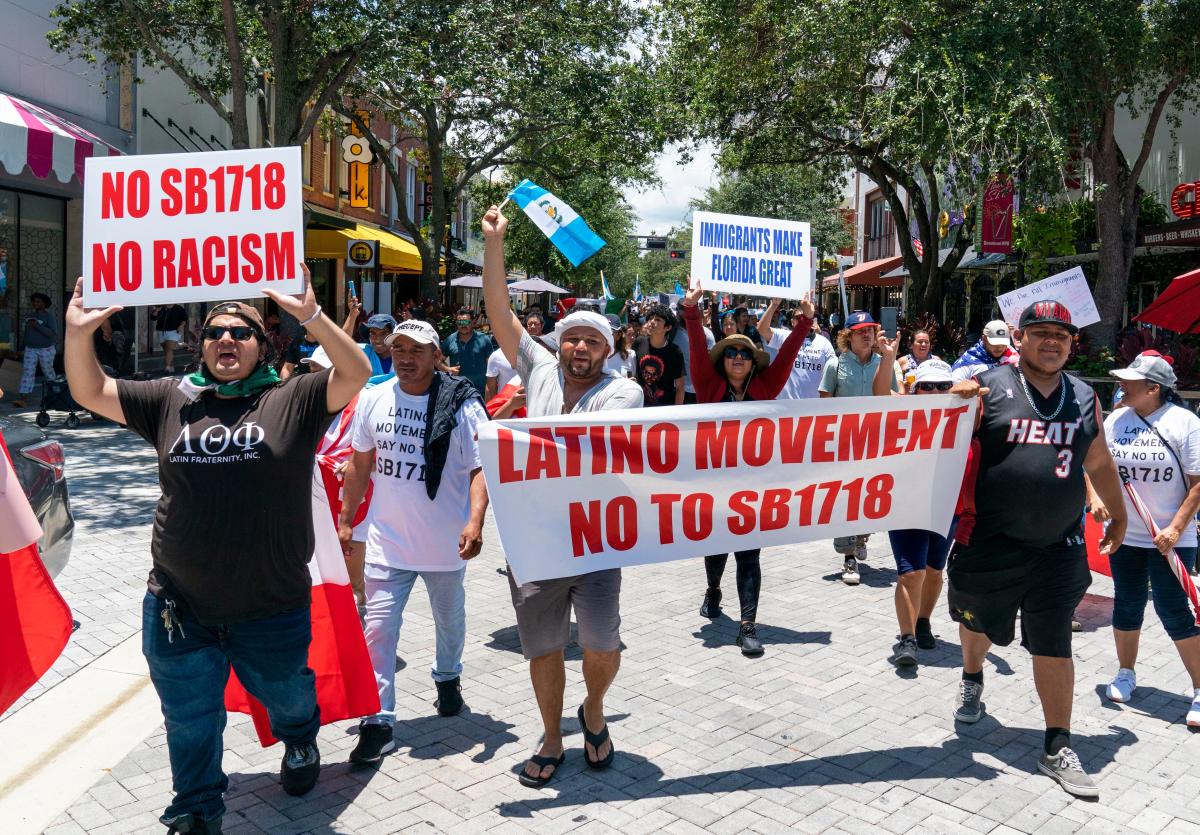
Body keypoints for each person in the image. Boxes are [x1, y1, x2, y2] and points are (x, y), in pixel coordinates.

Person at [63, 268, 372, 834]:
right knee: (188, 717)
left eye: (241, 332)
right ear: (200, 345)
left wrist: (311, 315)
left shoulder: (295, 397)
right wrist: (78, 333)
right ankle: (198, 807)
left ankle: (300, 739)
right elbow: (89, 391)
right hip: (178, 606)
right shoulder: (170, 399)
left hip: (271, 606)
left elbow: (356, 371)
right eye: (215, 332)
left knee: (288, 697)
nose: (226, 340)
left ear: (263, 344)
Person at [481, 203, 642, 789]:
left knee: (602, 643)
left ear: (605, 352)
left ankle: (593, 708)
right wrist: (494, 243)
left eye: (589, 342)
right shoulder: (541, 371)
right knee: (544, 648)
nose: (578, 348)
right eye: (570, 339)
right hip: (535, 544)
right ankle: (552, 733)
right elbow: (498, 311)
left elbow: (588, 446)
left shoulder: (623, 393)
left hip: (596, 539)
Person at [947, 300, 1127, 799]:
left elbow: (1099, 459)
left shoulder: (1086, 396)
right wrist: (950, 402)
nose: (1052, 342)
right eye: (1041, 332)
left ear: (1073, 344)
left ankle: (1057, 745)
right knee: (977, 623)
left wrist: (1120, 512)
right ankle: (972, 674)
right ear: (1019, 339)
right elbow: (920, 432)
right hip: (988, 543)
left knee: (1053, 641)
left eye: (1062, 335)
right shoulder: (985, 387)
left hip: (1059, 547)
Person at [338, 319, 489, 764]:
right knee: (378, 629)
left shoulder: (463, 405)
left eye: (416, 350)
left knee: (450, 621)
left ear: (435, 355)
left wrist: (475, 522)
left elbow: (482, 467)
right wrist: (346, 519)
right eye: (398, 348)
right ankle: (378, 720)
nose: (405, 357)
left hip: (445, 544)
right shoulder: (373, 398)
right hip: (388, 543)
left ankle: (448, 678)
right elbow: (359, 462)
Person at [683, 283, 814, 656]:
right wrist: (691, 310)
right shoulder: (709, 388)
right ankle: (712, 589)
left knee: (748, 553)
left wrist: (805, 321)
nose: (738, 357)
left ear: (752, 360)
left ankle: (747, 625)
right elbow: (695, 349)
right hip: (712, 484)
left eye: (744, 352)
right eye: (732, 352)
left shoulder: (766, 387)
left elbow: (787, 356)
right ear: (723, 360)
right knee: (716, 547)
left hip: (752, 487)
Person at [1090, 352, 1200, 727]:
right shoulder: (1117, 418)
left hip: (1171, 538)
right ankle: (1126, 672)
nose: (1122, 385)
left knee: (1173, 610)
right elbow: (1095, 464)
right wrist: (1096, 499)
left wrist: (1175, 529)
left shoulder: (1185, 423)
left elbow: (1197, 485)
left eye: (1130, 381)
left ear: (1153, 388)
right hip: (1126, 534)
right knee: (1128, 603)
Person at [878, 357, 960, 665]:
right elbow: (879, 394)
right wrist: (887, 359)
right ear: (915, 390)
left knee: (935, 570)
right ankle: (907, 638)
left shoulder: (963, 413)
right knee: (911, 572)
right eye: (928, 386)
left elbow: (988, 392)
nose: (937, 391)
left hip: (945, 504)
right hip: (906, 503)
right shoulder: (903, 410)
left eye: (943, 386)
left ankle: (923, 620)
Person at [819, 311, 899, 583]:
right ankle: (848, 558)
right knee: (846, 499)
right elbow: (823, 407)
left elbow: (893, 401)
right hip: (845, 445)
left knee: (872, 497)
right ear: (848, 336)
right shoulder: (835, 364)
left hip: (876, 445)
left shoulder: (885, 362)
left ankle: (862, 535)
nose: (867, 335)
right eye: (861, 331)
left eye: (871, 330)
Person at [757, 298, 837, 401]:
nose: (802, 319)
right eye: (798, 317)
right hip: (785, 404)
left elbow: (832, 372)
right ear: (792, 322)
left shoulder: (824, 342)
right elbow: (762, 329)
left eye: (807, 316)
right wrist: (773, 305)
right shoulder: (784, 336)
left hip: (813, 406)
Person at [12, 292, 59, 408]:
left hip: (46, 349)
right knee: (27, 373)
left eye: (38, 301)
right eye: (34, 301)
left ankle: (55, 396)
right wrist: (21, 349)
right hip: (30, 349)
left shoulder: (49, 317)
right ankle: (23, 399)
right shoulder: (29, 316)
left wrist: (37, 326)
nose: (35, 303)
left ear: (44, 303)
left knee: (48, 372)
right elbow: (27, 335)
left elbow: (53, 334)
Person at [634, 303, 685, 407]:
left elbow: (680, 387)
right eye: (650, 318)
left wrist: (678, 413)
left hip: (665, 410)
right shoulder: (639, 343)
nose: (652, 322)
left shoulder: (675, 352)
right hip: (639, 408)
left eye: (658, 320)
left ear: (668, 327)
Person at [441, 308, 495, 395]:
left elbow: (492, 366)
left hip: (479, 391)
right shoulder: (450, 340)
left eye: (466, 322)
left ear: (473, 322)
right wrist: (448, 369)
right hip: (457, 391)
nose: (463, 325)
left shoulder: (484, 339)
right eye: (460, 323)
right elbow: (437, 360)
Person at [672, 300, 715, 402]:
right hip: (679, 389)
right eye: (683, 309)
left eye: (690, 309)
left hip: (701, 389)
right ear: (677, 312)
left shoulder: (707, 334)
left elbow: (712, 360)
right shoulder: (671, 334)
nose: (686, 313)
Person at [154, 303, 188, 376]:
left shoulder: (179, 308)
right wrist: (156, 311)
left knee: (169, 349)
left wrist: (181, 326)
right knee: (166, 350)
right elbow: (153, 318)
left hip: (174, 331)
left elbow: (185, 319)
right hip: (161, 331)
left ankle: (167, 368)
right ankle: (171, 365)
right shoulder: (161, 307)